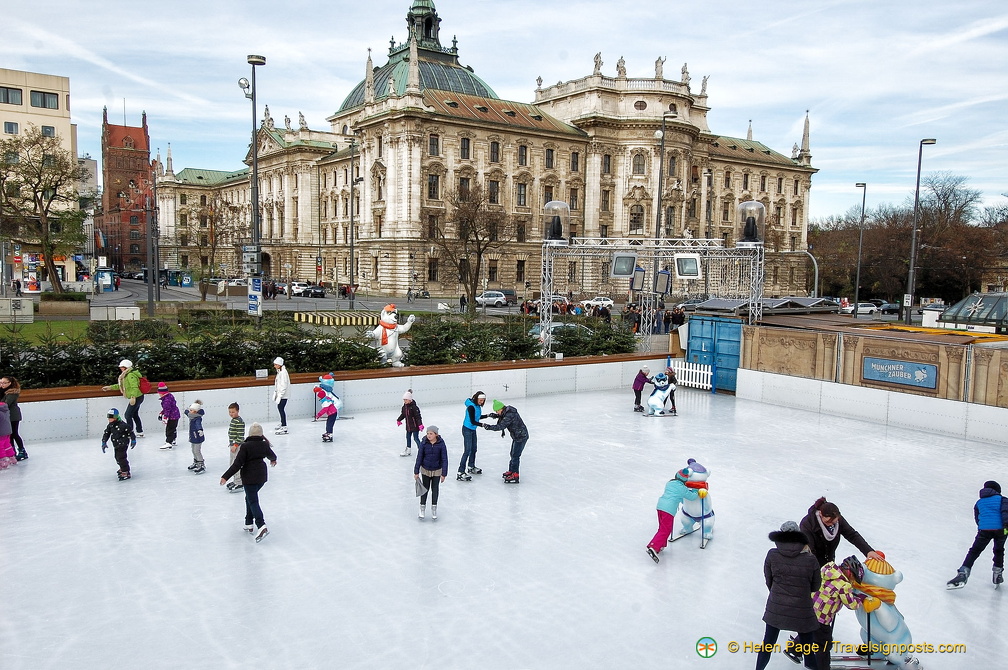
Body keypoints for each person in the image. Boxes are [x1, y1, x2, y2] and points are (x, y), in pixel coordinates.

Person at [755, 521, 821, 670]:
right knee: (808, 649)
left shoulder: (772, 555)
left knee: (767, 644)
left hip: (776, 608)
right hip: (802, 610)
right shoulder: (810, 559)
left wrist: (779, 592)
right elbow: (816, 586)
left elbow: (769, 580)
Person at [803, 558, 872, 670]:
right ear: (849, 572)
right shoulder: (844, 586)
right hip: (822, 618)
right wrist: (860, 599)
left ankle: (794, 650)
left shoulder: (828, 569)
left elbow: (831, 589)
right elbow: (851, 604)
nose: (853, 582)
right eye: (854, 578)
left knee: (809, 632)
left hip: (810, 609)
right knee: (824, 645)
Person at [220, 422, 277, 543]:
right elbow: (272, 455)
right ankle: (249, 523)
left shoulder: (245, 446)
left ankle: (261, 525)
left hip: (249, 478)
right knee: (249, 498)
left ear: (250, 434)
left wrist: (225, 477)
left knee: (253, 500)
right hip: (261, 477)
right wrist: (273, 460)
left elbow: (237, 464)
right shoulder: (264, 444)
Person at [947, 480, 1008, 588]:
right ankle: (997, 574)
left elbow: (977, 517)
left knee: (974, 551)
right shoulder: (1003, 499)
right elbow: (1005, 513)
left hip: (984, 530)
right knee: (999, 550)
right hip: (1001, 529)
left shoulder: (979, 502)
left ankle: (963, 573)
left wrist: (983, 527)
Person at [799, 497, 883, 567]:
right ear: (821, 514)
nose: (831, 525)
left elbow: (852, 535)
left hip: (830, 561)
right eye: (828, 522)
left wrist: (868, 551)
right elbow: (810, 552)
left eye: (834, 522)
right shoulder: (807, 524)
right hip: (812, 564)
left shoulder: (838, 521)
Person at [645, 467, 700, 563]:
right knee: (666, 529)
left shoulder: (669, 483)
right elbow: (692, 497)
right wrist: (696, 490)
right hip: (668, 509)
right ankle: (653, 546)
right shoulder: (682, 488)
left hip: (660, 506)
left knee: (662, 527)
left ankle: (660, 546)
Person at [481, 400, 528, 483]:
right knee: (513, 454)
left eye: (497, 411)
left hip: (521, 436)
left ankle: (515, 474)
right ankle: (511, 471)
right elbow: (502, 416)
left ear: (501, 409)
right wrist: (494, 415)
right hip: (517, 436)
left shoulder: (510, 414)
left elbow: (501, 426)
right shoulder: (507, 411)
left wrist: (489, 427)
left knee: (515, 455)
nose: (497, 412)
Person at [102, 359, 145, 438]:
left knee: (128, 415)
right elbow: (122, 386)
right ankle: (139, 431)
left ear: (126, 367)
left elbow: (134, 387)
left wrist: (133, 397)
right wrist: (110, 388)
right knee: (134, 414)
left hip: (137, 397)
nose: (120, 369)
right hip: (138, 396)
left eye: (122, 367)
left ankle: (129, 432)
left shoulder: (130, 375)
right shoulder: (125, 375)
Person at [414, 425, 448, 520]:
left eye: (431, 433)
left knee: (435, 489)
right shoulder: (424, 443)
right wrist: (416, 471)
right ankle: (422, 508)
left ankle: (434, 508)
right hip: (425, 470)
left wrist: (444, 473)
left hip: (437, 470)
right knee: (425, 489)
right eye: (427, 433)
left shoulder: (441, 444)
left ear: (436, 434)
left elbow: (444, 459)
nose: (428, 435)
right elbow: (419, 457)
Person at [101, 408, 136, 481]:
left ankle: (126, 471)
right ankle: (122, 467)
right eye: (108, 417)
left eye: (111, 417)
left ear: (115, 417)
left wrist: (133, 440)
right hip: (116, 443)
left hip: (123, 443)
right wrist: (104, 442)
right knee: (117, 457)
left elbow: (130, 432)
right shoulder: (110, 425)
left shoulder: (123, 425)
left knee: (121, 457)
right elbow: (106, 433)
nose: (109, 419)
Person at [458, 391, 486, 481]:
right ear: (477, 398)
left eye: (483, 401)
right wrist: (483, 425)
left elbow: (477, 417)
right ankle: (460, 472)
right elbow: (473, 421)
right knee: (467, 450)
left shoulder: (477, 406)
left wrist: (488, 415)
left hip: (473, 430)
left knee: (474, 449)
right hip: (467, 429)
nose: (482, 402)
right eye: (480, 400)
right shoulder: (471, 407)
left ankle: (471, 466)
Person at [1, 376, 27, 461]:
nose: (2, 384)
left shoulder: (12, 393)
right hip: (6, 416)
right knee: (9, 435)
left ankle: (22, 451)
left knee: (14, 433)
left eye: (4, 383)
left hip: (13, 416)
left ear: (10, 383)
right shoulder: (3, 392)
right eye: (1, 382)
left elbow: (6, 403)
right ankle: (12, 452)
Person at [397, 389, 424, 457]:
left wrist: (420, 424)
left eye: (406, 399)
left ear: (410, 399)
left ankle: (422, 451)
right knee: (408, 437)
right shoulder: (404, 407)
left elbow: (418, 417)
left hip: (415, 427)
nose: (404, 401)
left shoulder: (414, 407)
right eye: (404, 400)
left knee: (416, 438)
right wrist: (399, 420)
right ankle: (408, 450)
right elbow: (403, 415)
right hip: (408, 427)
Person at [226, 402, 246, 492]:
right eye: (230, 412)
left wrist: (235, 445)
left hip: (237, 446)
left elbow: (240, 435)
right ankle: (235, 480)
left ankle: (239, 483)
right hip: (233, 445)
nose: (231, 414)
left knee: (236, 464)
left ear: (238, 411)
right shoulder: (234, 420)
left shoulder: (239, 421)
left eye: (233, 412)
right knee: (232, 463)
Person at [156, 382, 180, 450]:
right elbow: (168, 408)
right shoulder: (169, 396)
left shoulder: (166, 400)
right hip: (175, 415)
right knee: (173, 428)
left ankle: (169, 442)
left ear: (162, 393)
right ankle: (173, 439)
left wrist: (166, 417)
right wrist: (161, 413)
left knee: (169, 429)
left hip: (172, 416)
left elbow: (167, 409)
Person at [185, 400, 206, 474]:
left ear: (195, 411)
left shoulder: (197, 418)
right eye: (190, 410)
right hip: (193, 436)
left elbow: (198, 425)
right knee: (193, 450)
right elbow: (186, 412)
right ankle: (196, 462)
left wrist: (200, 430)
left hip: (197, 437)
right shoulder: (192, 416)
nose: (189, 411)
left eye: (191, 410)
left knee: (197, 451)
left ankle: (201, 464)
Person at [272, 357, 290, 434]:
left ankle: (284, 426)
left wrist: (280, 395)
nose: (274, 366)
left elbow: (284, 385)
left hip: (283, 395)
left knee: (281, 408)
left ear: (279, 365)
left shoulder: (283, 373)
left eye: (275, 364)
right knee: (280, 408)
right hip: (281, 394)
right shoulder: (280, 372)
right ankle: (282, 423)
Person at [0, 402, 15, 469]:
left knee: (0, 446)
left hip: (1, 432)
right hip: (7, 431)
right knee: (7, 445)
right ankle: (12, 458)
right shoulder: (5, 410)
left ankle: (3, 460)